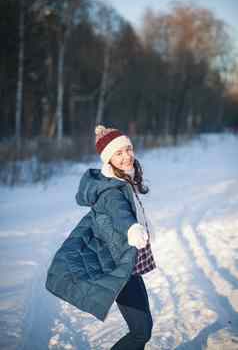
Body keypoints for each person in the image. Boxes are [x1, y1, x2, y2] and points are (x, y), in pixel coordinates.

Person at [45, 125, 156, 350]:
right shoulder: (112, 191)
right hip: (118, 267)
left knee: (143, 329)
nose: (126, 156)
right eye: (119, 152)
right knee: (141, 331)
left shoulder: (124, 180)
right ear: (108, 159)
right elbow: (120, 212)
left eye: (128, 149)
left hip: (128, 266)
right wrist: (132, 228)